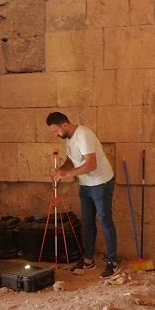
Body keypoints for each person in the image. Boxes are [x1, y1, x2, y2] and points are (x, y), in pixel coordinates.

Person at [46, 111, 120, 278]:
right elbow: (72, 159)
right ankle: (88, 260)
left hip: (101, 183)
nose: (56, 134)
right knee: (87, 221)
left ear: (65, 125)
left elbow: (91, 164)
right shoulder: (67, 139)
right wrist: (61, 170)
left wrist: (67, 174)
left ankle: (113, 263)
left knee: (105, 221)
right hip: (86, 184)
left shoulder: (83, 135)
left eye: (56, 131)